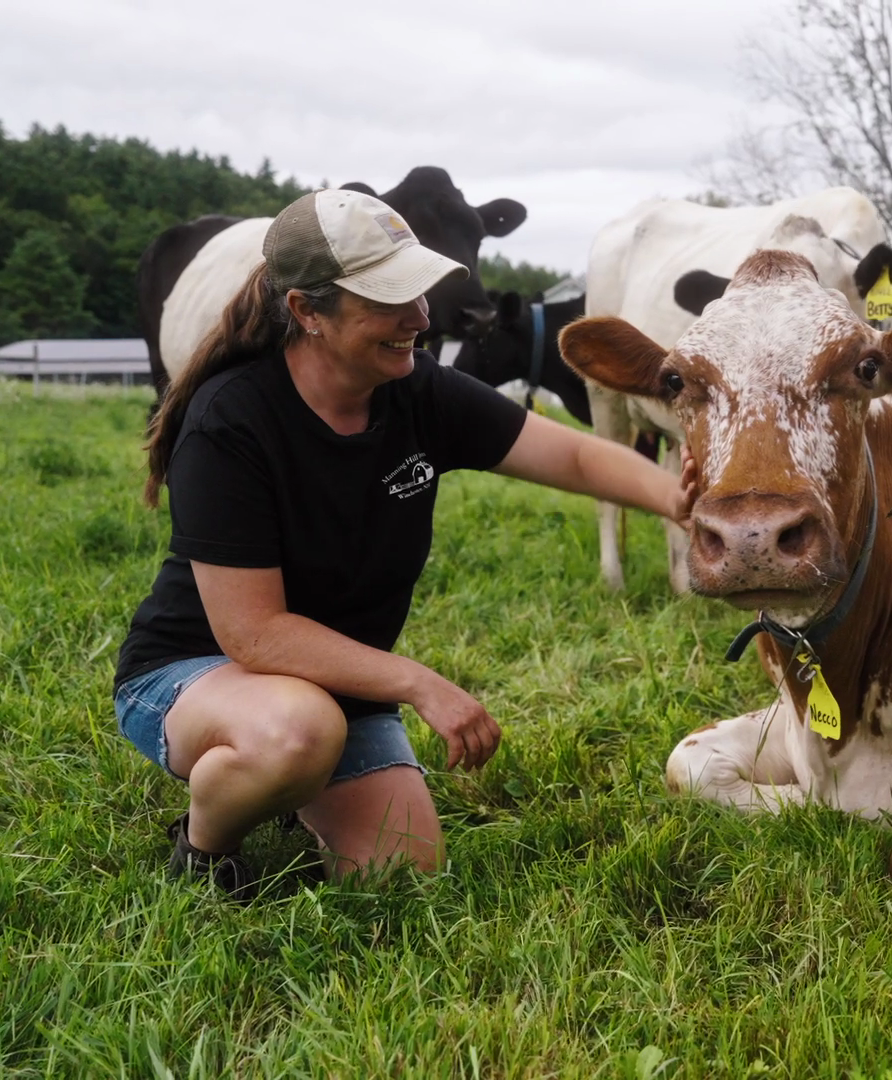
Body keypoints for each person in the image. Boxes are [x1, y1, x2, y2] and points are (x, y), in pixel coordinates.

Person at [113, 188, 695, 899]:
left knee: (401, 875)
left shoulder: (416, 391)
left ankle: (298, 788)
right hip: (197, 671)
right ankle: (206, 847)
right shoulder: (230, 422)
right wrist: (419, 683)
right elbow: (255, 636)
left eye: (419, 292)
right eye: (389, 299)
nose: (420, 318)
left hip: (339, 684)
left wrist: (685, 502)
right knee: (296, 734)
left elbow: (573, 457)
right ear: (307, 312)